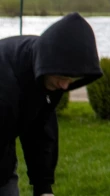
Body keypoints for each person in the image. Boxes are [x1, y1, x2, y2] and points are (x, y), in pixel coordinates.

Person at [0, 13, 103, 196]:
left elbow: (40, 131)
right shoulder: (6, 81)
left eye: (70, 78)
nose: (65, 86)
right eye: (62, 77)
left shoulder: (47, 75)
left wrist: (43, 188)